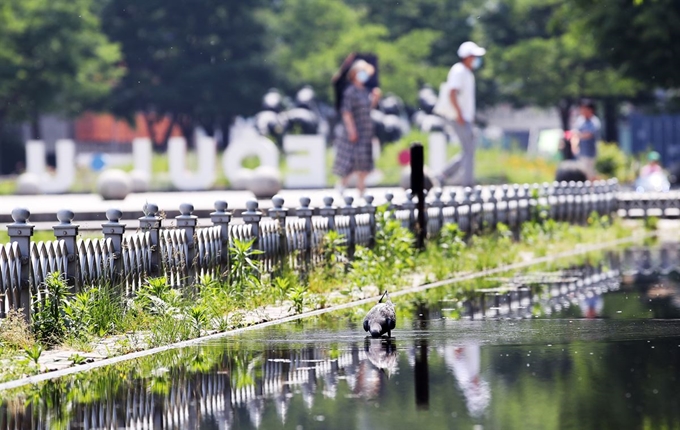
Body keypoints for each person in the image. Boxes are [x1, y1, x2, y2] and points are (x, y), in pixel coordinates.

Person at [435, 41, 486, 187]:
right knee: (469, 151)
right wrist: (460, 114)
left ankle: (443, 174)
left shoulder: (467, 73)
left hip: (465, 117)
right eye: (474, 56)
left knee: (468, 150)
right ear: (467, 57)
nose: (476, 60)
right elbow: (452, 93)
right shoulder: (458, 70)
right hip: (459, 117)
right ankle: (467, 184)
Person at [333, 59, 381, 196]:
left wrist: (375, 99)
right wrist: (351, 130)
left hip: (366, 131)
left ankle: (361, 188)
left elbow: (367, 108)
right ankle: (342, 184)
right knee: (352, 161)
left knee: (364, 161)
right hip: (355, 130)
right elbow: (346, 112)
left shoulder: (365, 91)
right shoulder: (350, 91)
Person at [571, 99, 601, 180]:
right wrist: (574, 146)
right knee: (582, 173)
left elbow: (589, 134)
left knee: (590, 173)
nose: (582, 111)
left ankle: (594, 189)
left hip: (591, 153)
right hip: (581, 152)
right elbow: (575, 134)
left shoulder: (594, 121)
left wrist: (578, 135)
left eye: (584, 108)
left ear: (590, 109)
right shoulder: (580, 120)